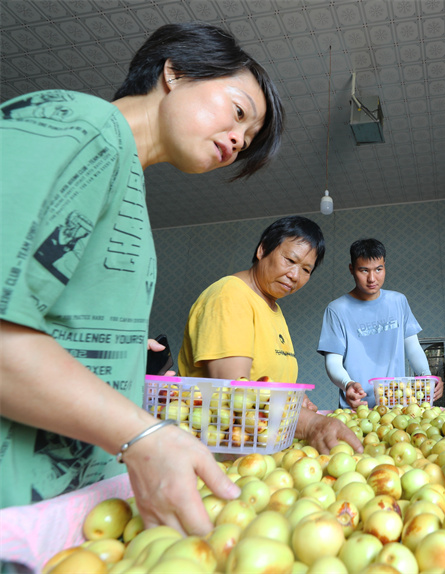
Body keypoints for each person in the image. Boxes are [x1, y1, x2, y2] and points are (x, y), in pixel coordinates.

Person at [0, 21, 285, 541]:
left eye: (247, 140)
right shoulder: (84, 124)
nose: (238, 142)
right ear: (174, 72)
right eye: (239, 113)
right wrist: (143, 435)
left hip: (61, 520)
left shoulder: (126, 187)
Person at [178, 216, 363, 454]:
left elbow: (266, 381)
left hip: (260, 454)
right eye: (290, 260)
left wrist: (296, 401)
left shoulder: (272, 307)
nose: (295, 275)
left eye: (306, 269)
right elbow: (236, 395)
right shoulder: (230, 296)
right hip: (218, 457)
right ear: (262, 249)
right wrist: (310, 424)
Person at [318, 238, 444, 409]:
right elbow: (333, 361)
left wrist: (427, 377)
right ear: (351, 269)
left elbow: (413, 347)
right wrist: (348, 384)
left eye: (378, 269)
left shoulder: (398, 301)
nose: (372, 278)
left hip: (397, 407)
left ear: (385, 267)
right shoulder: (336, 310)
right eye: (364, 270)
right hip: (356, 409)